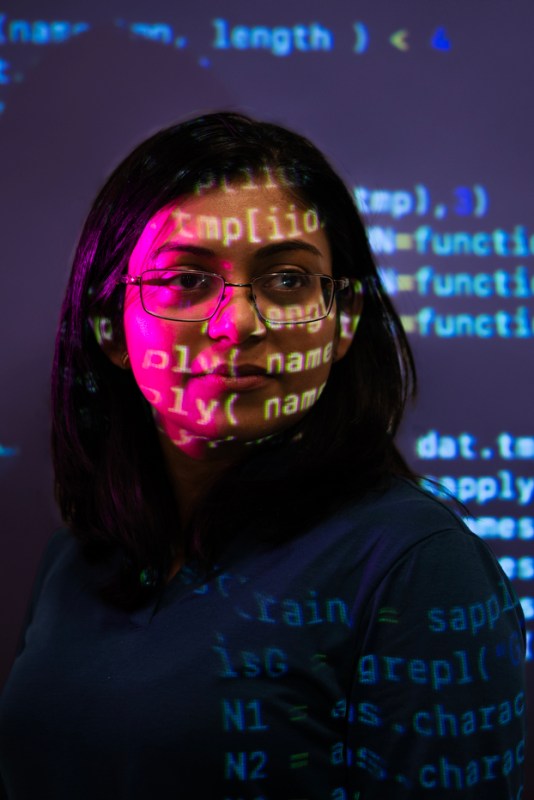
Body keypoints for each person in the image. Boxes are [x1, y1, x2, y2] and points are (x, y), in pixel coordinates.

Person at [0, 112, 525, 799]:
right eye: (186, 281)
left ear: (341, 324)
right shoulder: (77, 558)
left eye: (286, 281)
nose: (240, 322)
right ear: (111, 329)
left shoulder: (415, 565)